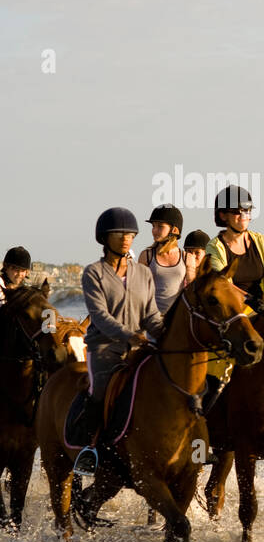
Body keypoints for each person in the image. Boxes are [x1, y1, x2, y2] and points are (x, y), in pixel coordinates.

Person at [73, 208, 165, 476]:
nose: (126, 239)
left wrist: (167, 336)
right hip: (104, 349)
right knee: (100, 391)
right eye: (119, 233)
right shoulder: (94, 273)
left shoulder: (144, 274)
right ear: (105, 237)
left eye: (131, 234)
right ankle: (91, 449)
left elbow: (151, 316)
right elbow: (99, 316)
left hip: (139, 348)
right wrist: (129, 335)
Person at [204, 185, 264, 310]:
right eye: (237, 211)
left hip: (263, 309)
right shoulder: (214, 248)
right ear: (223, 216)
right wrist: (250, 301)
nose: (243, 215)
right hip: (235, 315)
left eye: (247, 210)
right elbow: (222, 283)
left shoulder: (261, 242)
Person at [137, 204, 187, 314]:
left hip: (177, 320)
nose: (154, 230)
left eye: (160, 226)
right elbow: (138, 290)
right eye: (153, 226)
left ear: (174, 230)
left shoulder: (187, 258)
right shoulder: (146, 256)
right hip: (152, 318)